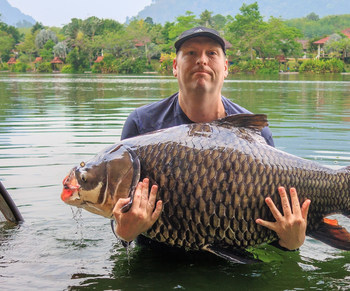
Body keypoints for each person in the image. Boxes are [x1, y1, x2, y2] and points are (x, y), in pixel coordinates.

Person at [112, 27, 310, 252]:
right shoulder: (141, 124)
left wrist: (291, 243)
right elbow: (116, 209)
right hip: (156, 258)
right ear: (175, 67)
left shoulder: (256, 134)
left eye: (212, 53)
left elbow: (276, 219)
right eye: (191, 53)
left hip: (233, 264)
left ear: (225, 68)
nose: (202, 61)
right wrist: (123, 232)